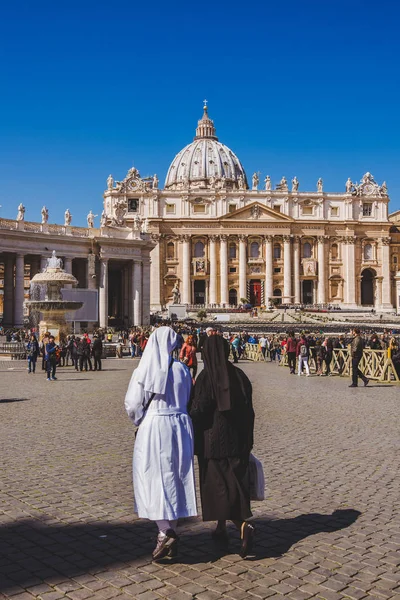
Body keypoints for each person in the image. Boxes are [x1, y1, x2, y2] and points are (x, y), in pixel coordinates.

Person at [124, 327, 197, 560]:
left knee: (151, 475)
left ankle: (164, 531)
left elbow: (133, 405)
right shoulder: (183, 369)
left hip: (155, 425)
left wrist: (141, 420)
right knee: (176, 475)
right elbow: (189, 398)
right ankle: (169, 529)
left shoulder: (144, 370)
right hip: (181, 425)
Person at [189, 335, 255, 558]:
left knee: (218, 487)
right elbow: (249, 408)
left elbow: (199, 409)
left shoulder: (207, 377)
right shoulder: (239, 375)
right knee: (235, 483)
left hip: (213, 443)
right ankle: (221, 526)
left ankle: (242, 526)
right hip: (237, 441)